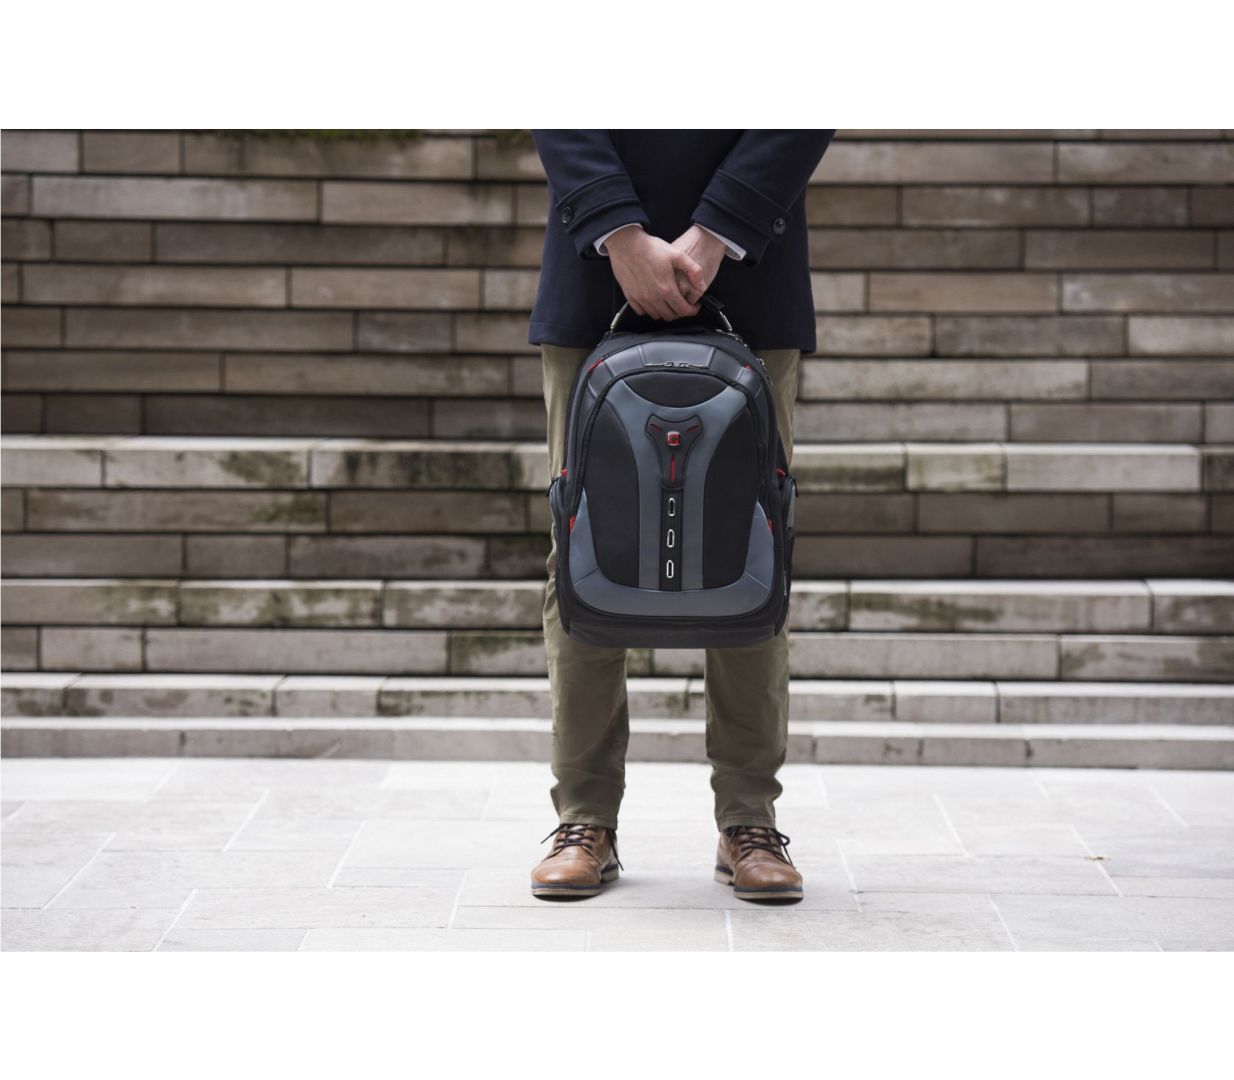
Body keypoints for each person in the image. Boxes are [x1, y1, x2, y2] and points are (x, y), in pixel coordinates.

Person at [527, 130, 835, 903]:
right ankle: (584, 819)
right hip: (594, 266)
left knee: (753, 538)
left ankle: (749, 821)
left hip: (750, 266)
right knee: (583, 540)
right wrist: (618, 231)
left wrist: (720, 229)